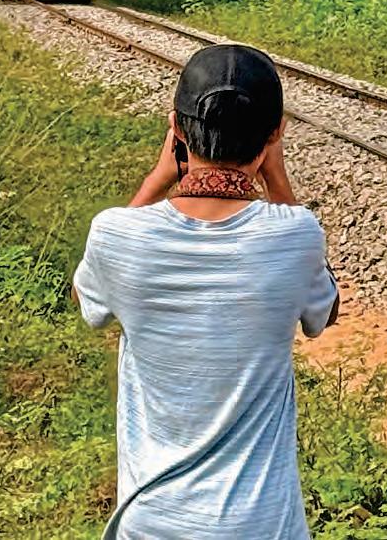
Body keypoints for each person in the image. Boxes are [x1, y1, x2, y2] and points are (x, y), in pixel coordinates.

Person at [72, 44, 340, 539]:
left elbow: (86, 299)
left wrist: (156, 179)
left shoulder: (116, 234)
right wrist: (277, 178)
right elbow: (324, 313)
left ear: (176, 128)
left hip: (153, 522)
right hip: (261, 524)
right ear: (276, 132)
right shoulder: (296, 234)